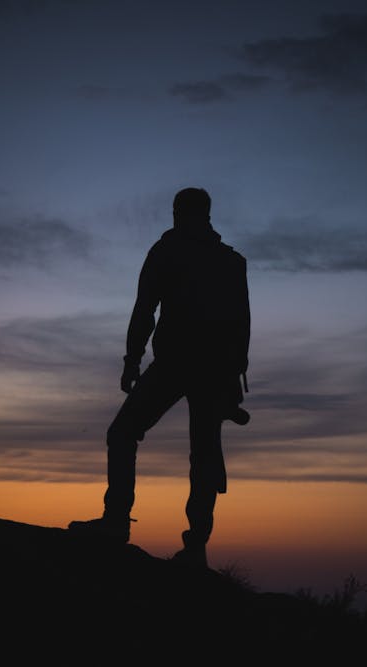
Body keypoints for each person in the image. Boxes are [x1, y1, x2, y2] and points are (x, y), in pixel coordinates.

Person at [69, 187, 250, 568]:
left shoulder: (167, 251)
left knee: (123, 433)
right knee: (203, 456)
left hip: (177, 364)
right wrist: (233, 378)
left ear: (178, 213)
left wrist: (132, 360)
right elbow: (241, 326)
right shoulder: (231, 261)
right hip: (214, 371)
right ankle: (196, 548)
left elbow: (144, 309)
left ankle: (117, 522)